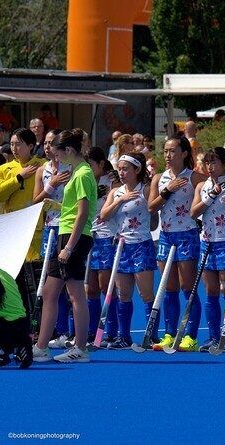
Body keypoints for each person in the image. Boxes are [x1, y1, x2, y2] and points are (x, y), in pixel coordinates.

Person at [32, 129, 96, 363]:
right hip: (68, 233)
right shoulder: (78, 171)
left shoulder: (81, 174)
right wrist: (57, 206)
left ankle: (77, 348)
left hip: (73, 237)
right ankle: (46, 346)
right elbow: (74, 210)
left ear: (68, 151)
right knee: (55, 292)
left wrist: (68, 247)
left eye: (58, 154)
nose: (56, 159)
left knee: (73, 294)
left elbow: (83, 213)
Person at [148, 137, 206, 351]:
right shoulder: (158, 178)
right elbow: (151, 207)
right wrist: (168, 190)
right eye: (165, 151)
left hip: (187, 235)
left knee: (186, 286)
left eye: (173, 151)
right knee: (168, 287)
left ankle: (191, 336)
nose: (168, 155)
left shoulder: (195, 178)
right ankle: (169, 334)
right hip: (165, 235)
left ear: (184, 153)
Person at [99, 152, 157, 349]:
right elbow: (104, 215)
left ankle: (152, 335)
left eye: (125, 169)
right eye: (119, 169)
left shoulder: (146, 189)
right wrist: (119, 200)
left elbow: (154, 214)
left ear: (137, 170)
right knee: (123, 294)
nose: (121, 173)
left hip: (141, 244)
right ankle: (124, 337)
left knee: (146, 294)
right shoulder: (115, 192)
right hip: (121, 246)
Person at [191, 147, 225, 353]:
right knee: (210, 290)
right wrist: (210, 196)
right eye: (207, 163)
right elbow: (194, 212)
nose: (210, 167)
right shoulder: (202, 186)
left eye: (214, 163)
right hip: (207, 241)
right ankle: (213, 336)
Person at [32, 130, 73, 349]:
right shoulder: (42, 170)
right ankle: (54, 330)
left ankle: (68, 331)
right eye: (46, 143)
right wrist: (52, 184)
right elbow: (36, 201)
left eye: (52, 143)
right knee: (49, 281)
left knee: (68, 282)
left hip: (67, 228)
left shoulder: (72, 168)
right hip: (49, 228)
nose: (48, 147)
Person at [0, 129, 45, 313]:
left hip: (35, 231)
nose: (14, 148)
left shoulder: (43, 166)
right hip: (11, 232)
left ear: (31, 146)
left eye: (19, 144)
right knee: (14, 283)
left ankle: (39, 327)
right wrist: (19, 177)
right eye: (12, 144)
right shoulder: (4, 169)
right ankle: (19, 323)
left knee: (36, 282)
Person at [86, 147, 121, 347]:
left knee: (105, 286)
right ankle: (91, 330)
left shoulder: (112, 181)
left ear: (101, 164)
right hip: (89, 235)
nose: (88, 169)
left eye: (91, 165)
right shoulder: (84, 179)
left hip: (107, 235)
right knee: (89, 288)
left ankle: (111, 331)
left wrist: (111, 188)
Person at [0, 266, 33, 368]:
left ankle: (1, 353)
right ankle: (22, 346)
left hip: (4, 327)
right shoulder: (4, 274)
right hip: (22, 323)